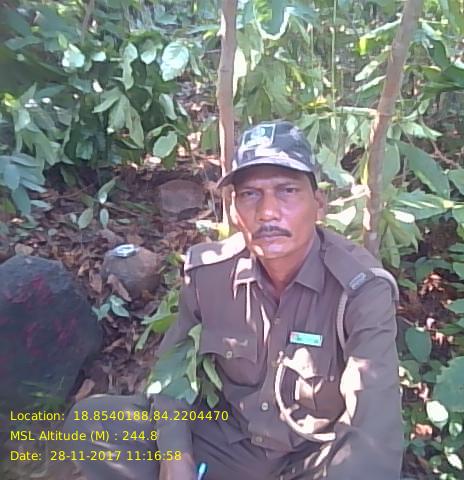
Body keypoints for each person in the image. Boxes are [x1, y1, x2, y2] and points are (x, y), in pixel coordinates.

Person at [60, 120, 404, 479]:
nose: (267, 212)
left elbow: (373, 421)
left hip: (312, 459)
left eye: (287, 191)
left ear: (318, 205)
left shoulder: (360, 289)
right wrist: (176, 457)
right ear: (235, 210)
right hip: (227, 445)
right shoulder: (210, 274)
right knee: (93, 423)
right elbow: (171, 375)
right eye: (250, 194)